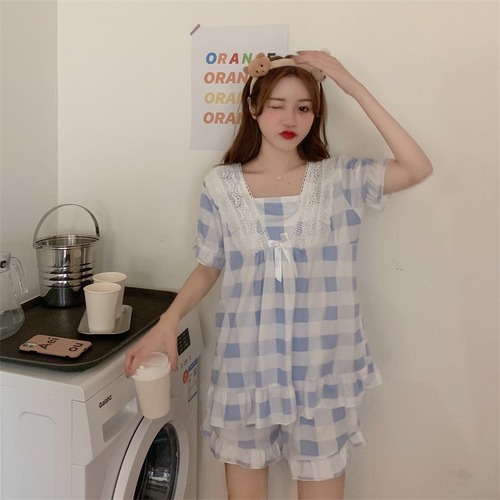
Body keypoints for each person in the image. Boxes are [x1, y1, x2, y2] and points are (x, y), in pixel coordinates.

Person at [125, 50, 432, 499]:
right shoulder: (221, 185)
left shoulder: (340, 179)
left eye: (304, 107)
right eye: (277, 105)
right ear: (253, 108)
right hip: (246, 368)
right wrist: (168, 322)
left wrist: (348, 82)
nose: (291, 119)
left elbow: (417, 167)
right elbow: (210, 265)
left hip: (323, 372)